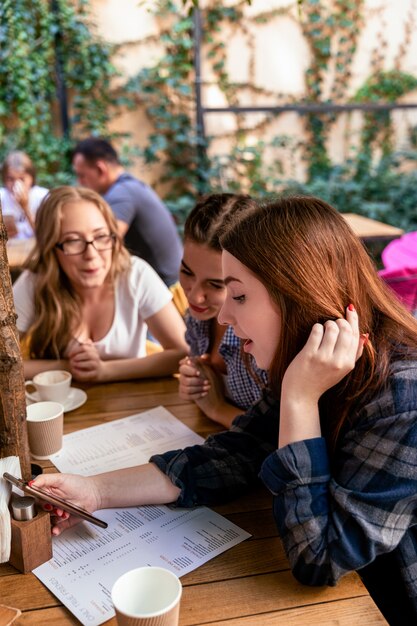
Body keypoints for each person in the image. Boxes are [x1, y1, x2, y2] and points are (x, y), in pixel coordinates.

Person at [33, 196, 417, 625]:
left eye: (238, 294)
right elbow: (235, 453)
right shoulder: (307, 354)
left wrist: (299, 400)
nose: (225, 314)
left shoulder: (401, 400)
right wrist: (95, 491)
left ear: (297, 294)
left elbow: (319, 558)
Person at [13, 186, 188, 382]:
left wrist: (104, 370)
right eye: (73, 241)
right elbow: (4, 362)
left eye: (101, 236)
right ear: (51, 247)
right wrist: (69, 366)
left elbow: (183, 353)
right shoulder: (35, 282)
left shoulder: (135, 274)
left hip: (134, 405)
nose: (91, 254)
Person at [178, 193, 267, 427]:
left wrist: (217, 409)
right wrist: (197, 380)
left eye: (216, 284)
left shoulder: (266, 337)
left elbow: (283, 436)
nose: (194, 295)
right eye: (187, 272)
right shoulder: (199, 319)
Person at [72, 137, 183, 288]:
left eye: (82, 175)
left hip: (167, 289)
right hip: (172, 279)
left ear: (100, 169)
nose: (80, 182)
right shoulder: (130, 186)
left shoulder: (121, 194)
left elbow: (104, 245)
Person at [0, 151, 48, 239]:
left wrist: (25, 207)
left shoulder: (42, 197)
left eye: (22, 179)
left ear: (31, 178)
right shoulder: (2, 197)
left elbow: (45, 235)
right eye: (10, 179)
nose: (16, 184)